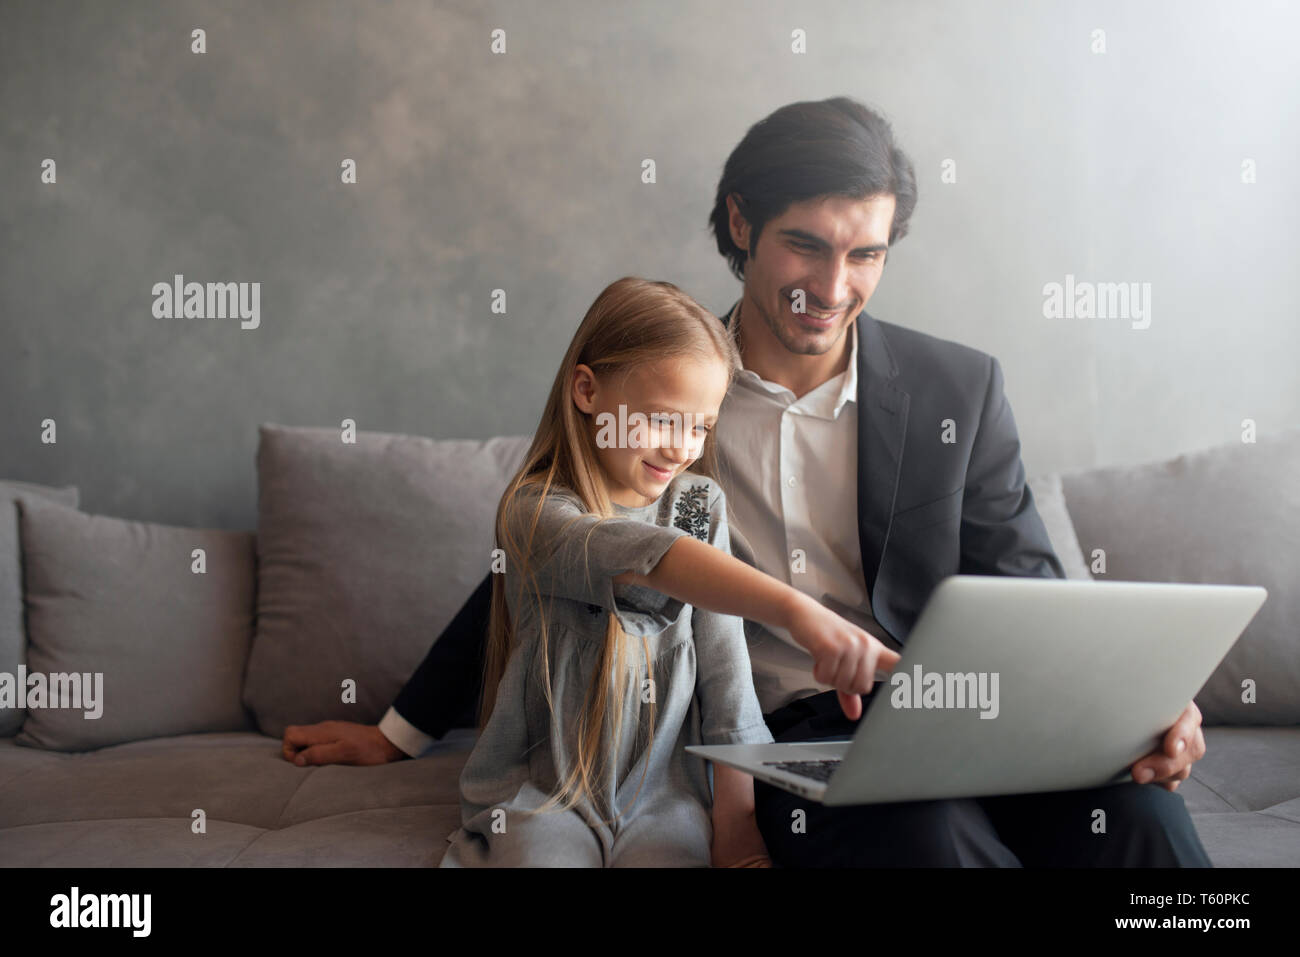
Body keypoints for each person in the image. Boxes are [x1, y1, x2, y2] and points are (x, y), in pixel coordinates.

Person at [283, 96, 1211, 867]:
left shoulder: (956, 389)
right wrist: (400, 730)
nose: (834, 285)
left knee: (1144, 820)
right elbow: (549, 556)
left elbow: (1028, 591)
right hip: (782, 738)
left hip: (955, 710)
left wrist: (1130, 705)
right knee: (932, 836)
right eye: (806, 246)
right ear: (739, 223)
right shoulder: (669, 391)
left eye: (866, 254)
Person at [439, 277, 897, 867]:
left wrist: (736, 825)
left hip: (665, 799)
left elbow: (728, 683)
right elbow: (643, 556)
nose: (684, 448)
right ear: (586, 391)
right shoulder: (535, 509)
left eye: (701, 427)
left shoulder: (697, 505)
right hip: (544, 795)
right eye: (661, 420)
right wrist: (795, 610)